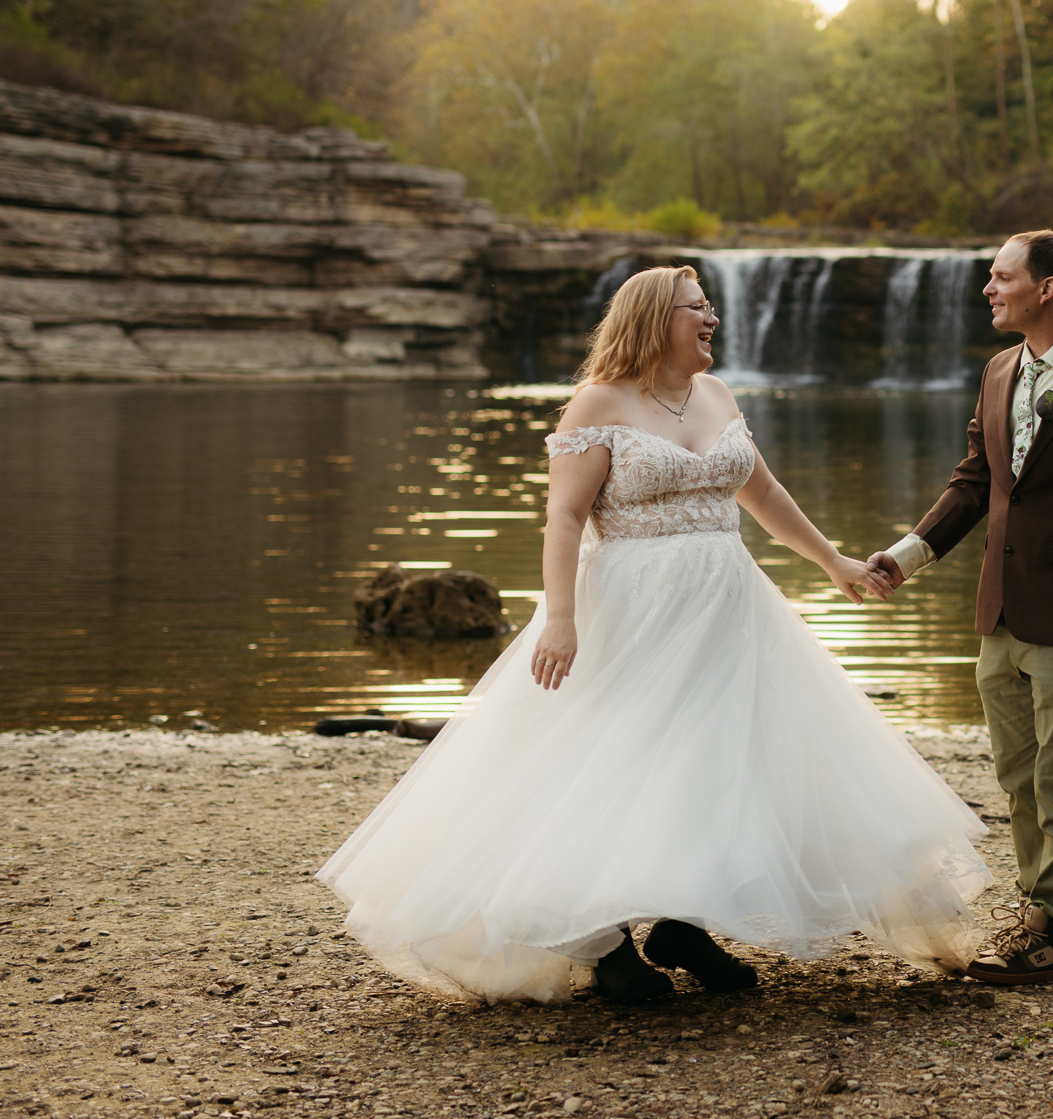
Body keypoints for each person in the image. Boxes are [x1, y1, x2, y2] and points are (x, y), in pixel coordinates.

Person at [317, 265, 989, 1005]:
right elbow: (565, 518)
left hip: (729, 606)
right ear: (652, 318)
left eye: (711, 307)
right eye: (697, 308)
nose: (712, 319)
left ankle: (684, 922)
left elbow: (759, 490)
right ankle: (604, 940)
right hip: (631, 612)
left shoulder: (717, 394)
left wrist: (831, 560)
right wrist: (562, 617)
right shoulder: (598, 403)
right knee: (612, 761)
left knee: (716, 760)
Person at [867, 230, 1053, 986]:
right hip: (999, 612)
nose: (988, 288)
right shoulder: (1000, 369)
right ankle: (1038, 911)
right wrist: (906, 556)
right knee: (1018, 775)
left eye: (1001, 276)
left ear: (1046, 288)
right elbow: (974, 480)